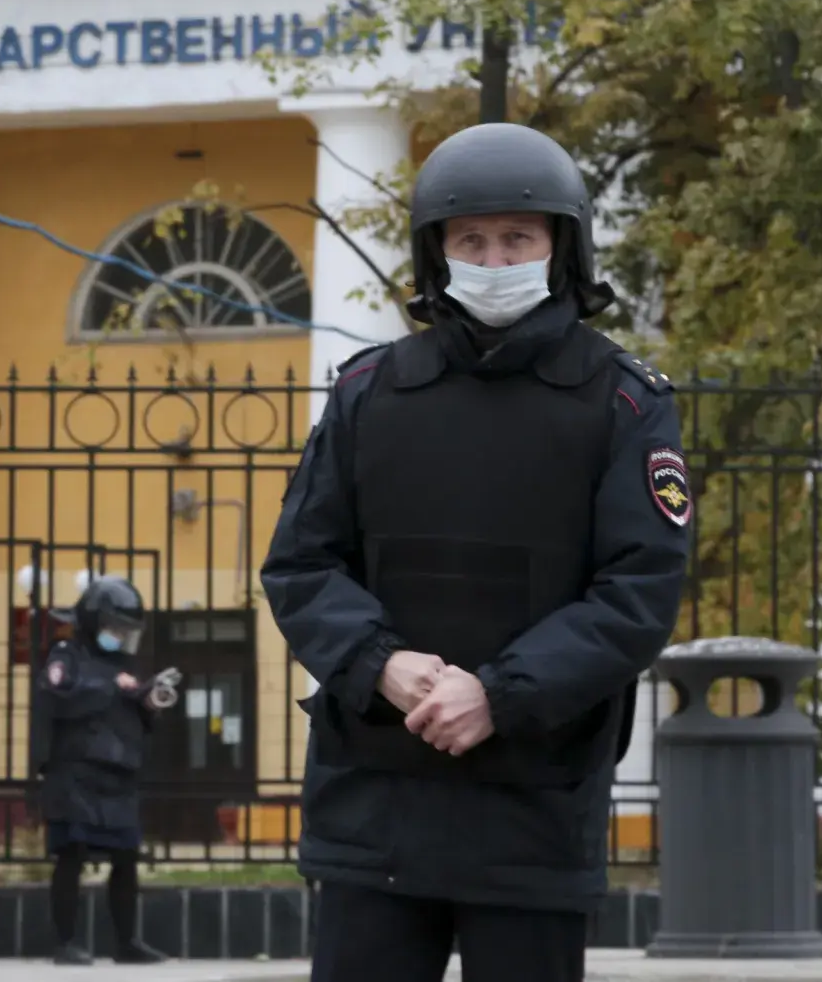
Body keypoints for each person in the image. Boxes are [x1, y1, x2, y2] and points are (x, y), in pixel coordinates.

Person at [261, 122, 692, 982]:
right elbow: (301, 565)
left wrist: (497, 693)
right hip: (374, 806)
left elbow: (637, 592)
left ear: (559, 248)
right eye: (472, 241)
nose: (495, 261)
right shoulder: (367, 394)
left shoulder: (624, 404)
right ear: (439, 254)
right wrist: (382, 664)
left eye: (517, 239)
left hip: (533, 807)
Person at [31, 575, 175, 966]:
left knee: (126, 858)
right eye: (114, 628)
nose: (120, 637)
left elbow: (133, 717)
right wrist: (115, 687)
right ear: (93, 622)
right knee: (71, 854)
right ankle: (66, 942)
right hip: (75, 775)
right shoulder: (67, 654)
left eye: (126, 630)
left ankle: (126, 943)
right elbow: (58, 694)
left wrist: (147, 700)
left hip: (118, 776)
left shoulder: (122, 663)